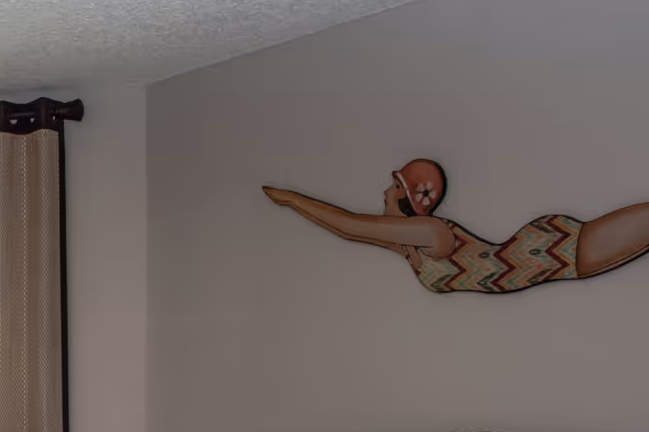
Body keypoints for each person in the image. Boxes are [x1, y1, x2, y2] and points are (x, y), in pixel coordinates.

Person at [263, 158, 649, 293]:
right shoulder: (413, 249)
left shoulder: (431, 233)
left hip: (550, 253)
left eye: (391, 185)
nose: (382, 192)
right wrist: (295, 205)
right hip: (550, 262)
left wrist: (293, 199)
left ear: (404, 195)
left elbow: (349, 224)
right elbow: (349, 229)